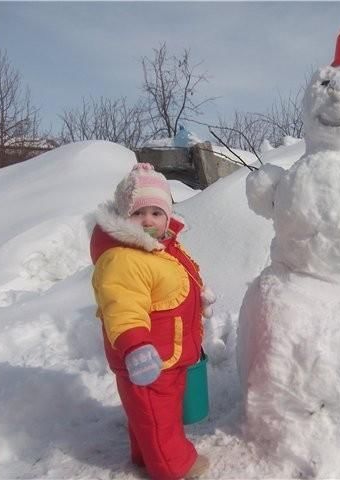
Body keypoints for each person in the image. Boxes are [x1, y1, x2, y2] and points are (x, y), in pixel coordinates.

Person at [90, 163, 216, 480]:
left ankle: (143, 455)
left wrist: (200, 298)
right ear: (123, 216)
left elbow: (172, 285)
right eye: (138, 213)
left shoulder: (161, 249)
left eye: (156, 213)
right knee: (160, 418)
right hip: (147, 358)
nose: (148, 220)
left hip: (166, 354)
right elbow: (122, 306)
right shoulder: (123, 258)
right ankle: (173, 467)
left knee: (149, 414)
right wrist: (136, 347)